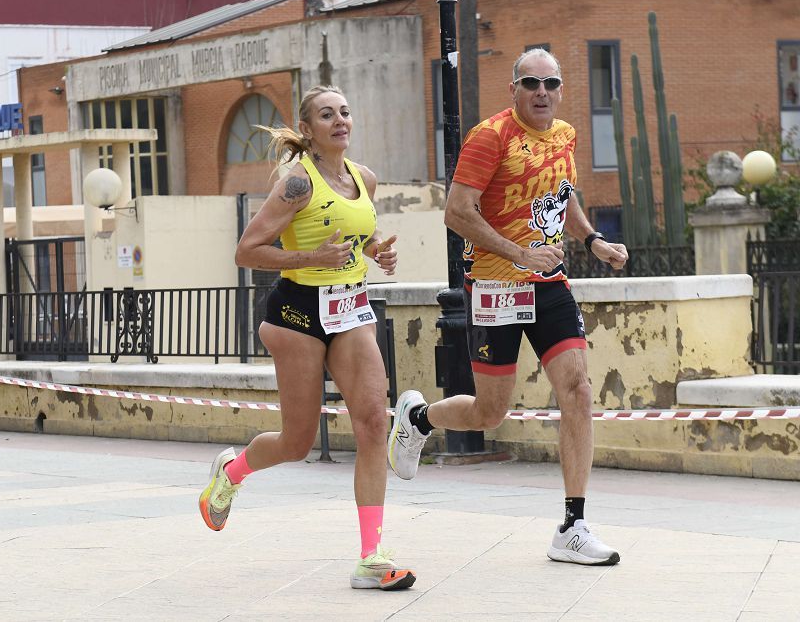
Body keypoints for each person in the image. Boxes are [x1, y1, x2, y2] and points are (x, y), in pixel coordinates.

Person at [387, 49, 628, 566]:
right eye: (531, 82)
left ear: (562, 90)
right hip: (497, 286)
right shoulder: (489, 137)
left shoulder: (564, 134)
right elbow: (456, 212)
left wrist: (593, 241)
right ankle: (419, 418)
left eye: (551, 82)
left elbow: (563, 197)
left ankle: (573, 524)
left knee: (578, 389)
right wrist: (520, 253)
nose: (542, 91)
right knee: (489, 411)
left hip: (550, 283)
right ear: (513, 89)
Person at [198, 85, 415, 590]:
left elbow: (355, 237)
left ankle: (371, 557)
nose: (340, 120)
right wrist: (310, 259)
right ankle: (232, 474)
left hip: (351, 308)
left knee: (371, 423)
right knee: (297, 441)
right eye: (326, 114)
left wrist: (376, 252)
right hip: (298, 312)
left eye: (345, 111)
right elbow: (247, 250)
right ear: (310, 130)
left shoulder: (365, 179)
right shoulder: (297, 184)